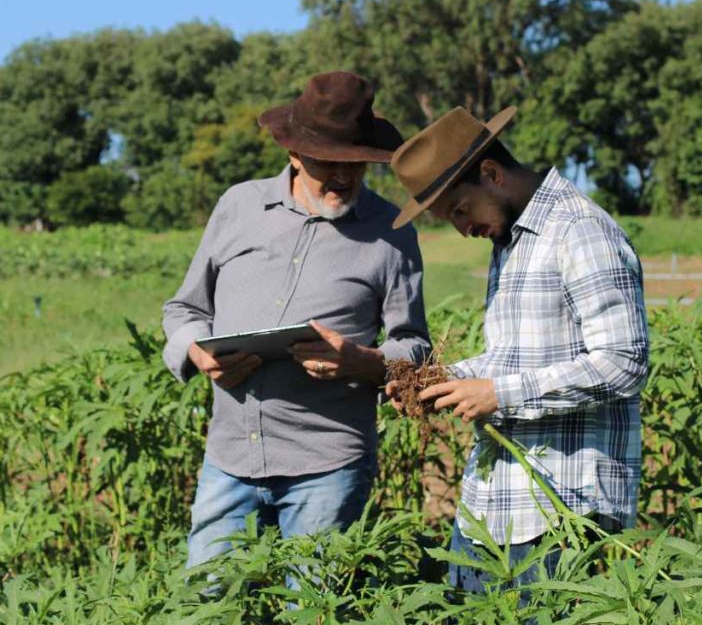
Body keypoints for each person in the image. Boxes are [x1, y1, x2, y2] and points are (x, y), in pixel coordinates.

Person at [162, 71, 432, 570]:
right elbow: (185, 310)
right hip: (229, 458)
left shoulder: (391, 232)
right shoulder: (238, 207)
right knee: (205, 605)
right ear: (293, 153)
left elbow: (414, 346)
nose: (343, 177)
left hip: (328, 465)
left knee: (312, 612)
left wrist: (359, 361)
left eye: (355, 163)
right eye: (328, 162)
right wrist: (198, 351)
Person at [387, 105, 649, 592]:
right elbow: (514, 359)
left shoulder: (578, 230)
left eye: (460, 210)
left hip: (562, 510)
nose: (462, 229)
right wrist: (445, 382)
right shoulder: (511, 241)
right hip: (494, 505)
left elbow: (623, 362)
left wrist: (499, 395)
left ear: (491, 174)